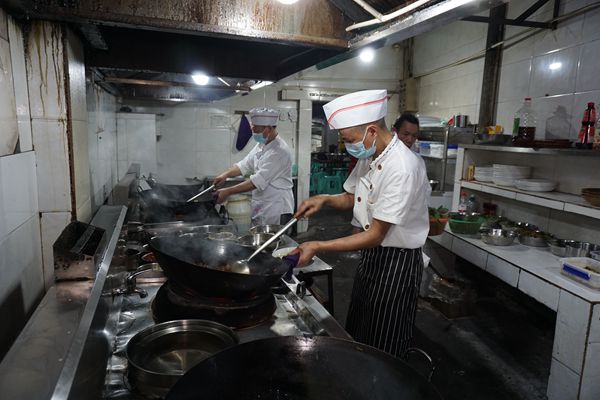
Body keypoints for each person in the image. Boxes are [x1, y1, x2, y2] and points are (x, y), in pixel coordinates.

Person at [291, 89, 430, 358]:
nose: (346, 145)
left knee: (385, 342)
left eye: (348, 138)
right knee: (360, 329)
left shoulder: (402, 166)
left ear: (372, 131)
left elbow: (377, 234)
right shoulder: (371, 156)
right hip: (372, 256)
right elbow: (351, 197)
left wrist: (318, 245)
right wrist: (324, 200)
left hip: (397, 263)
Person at [213, 107, 294, 225]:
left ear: (269, 128)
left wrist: (228, 191)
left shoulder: (279, 151)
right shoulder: (261, 144)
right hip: (262, 204)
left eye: (256, 130)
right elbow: (244, 165)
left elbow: (256, 181)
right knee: (259, 239)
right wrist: (225, 175)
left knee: (274, 241)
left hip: (276, 208)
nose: (253, 132)